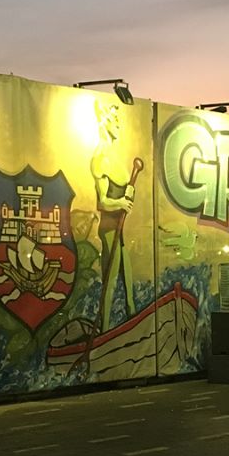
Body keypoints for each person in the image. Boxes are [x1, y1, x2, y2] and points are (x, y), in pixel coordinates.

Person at [91, 101, 136, 332]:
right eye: (115, 120)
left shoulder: (113, 156)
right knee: (110, 281)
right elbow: (103, 201)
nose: (119, 124)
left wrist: (129, 193)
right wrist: (120, 202)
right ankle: (105, 329)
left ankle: (132, 316)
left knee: (127, 277)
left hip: (120, 227)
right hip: (109, 228)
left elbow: (123, 194)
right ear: (105, 122)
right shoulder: (100, 159)